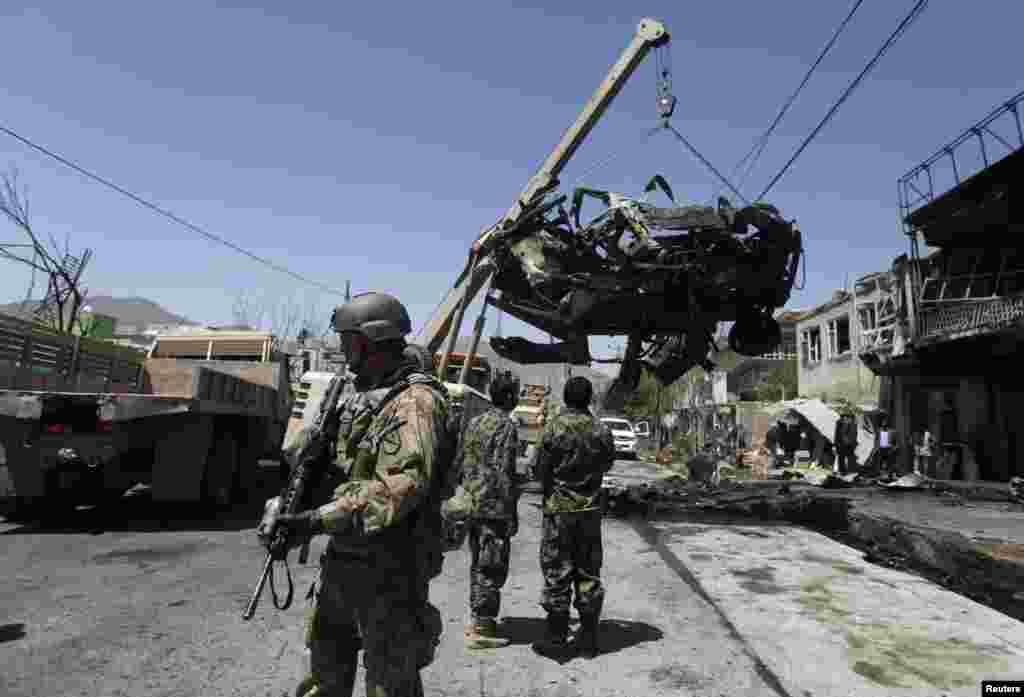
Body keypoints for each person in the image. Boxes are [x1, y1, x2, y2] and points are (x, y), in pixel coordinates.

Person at [260, 291, 452, 697]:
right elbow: (334, 471)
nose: (342, 349)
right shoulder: (357, 398)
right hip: (344, 564)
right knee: (326, 673)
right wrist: (290, 504)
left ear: (369, 341)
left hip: (392, 571)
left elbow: (400, 486)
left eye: (348, 340)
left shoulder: (416, 402)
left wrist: (315, 521)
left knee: (389, 683)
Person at [532, 376, 615, 659]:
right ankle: (589, 640)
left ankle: (556, 640)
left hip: (559, 512)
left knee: (557, 573)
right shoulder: (601, 430)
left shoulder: (553, 428)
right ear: (589, 398)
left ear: (566, 398)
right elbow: (607, 463)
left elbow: (538, 470)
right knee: (588, 573)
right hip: (590, 512)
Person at [455, 370, 522, 650]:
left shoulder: (474, 422)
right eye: (515, 393)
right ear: (507, 396)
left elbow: (461, 461)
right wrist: (511, 512)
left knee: (478, 564)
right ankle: (481, 627)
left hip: (472, 504)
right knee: (491, 566)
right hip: (493, 508)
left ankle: (478, 619)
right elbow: (505, 471)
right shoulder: (506, 426)